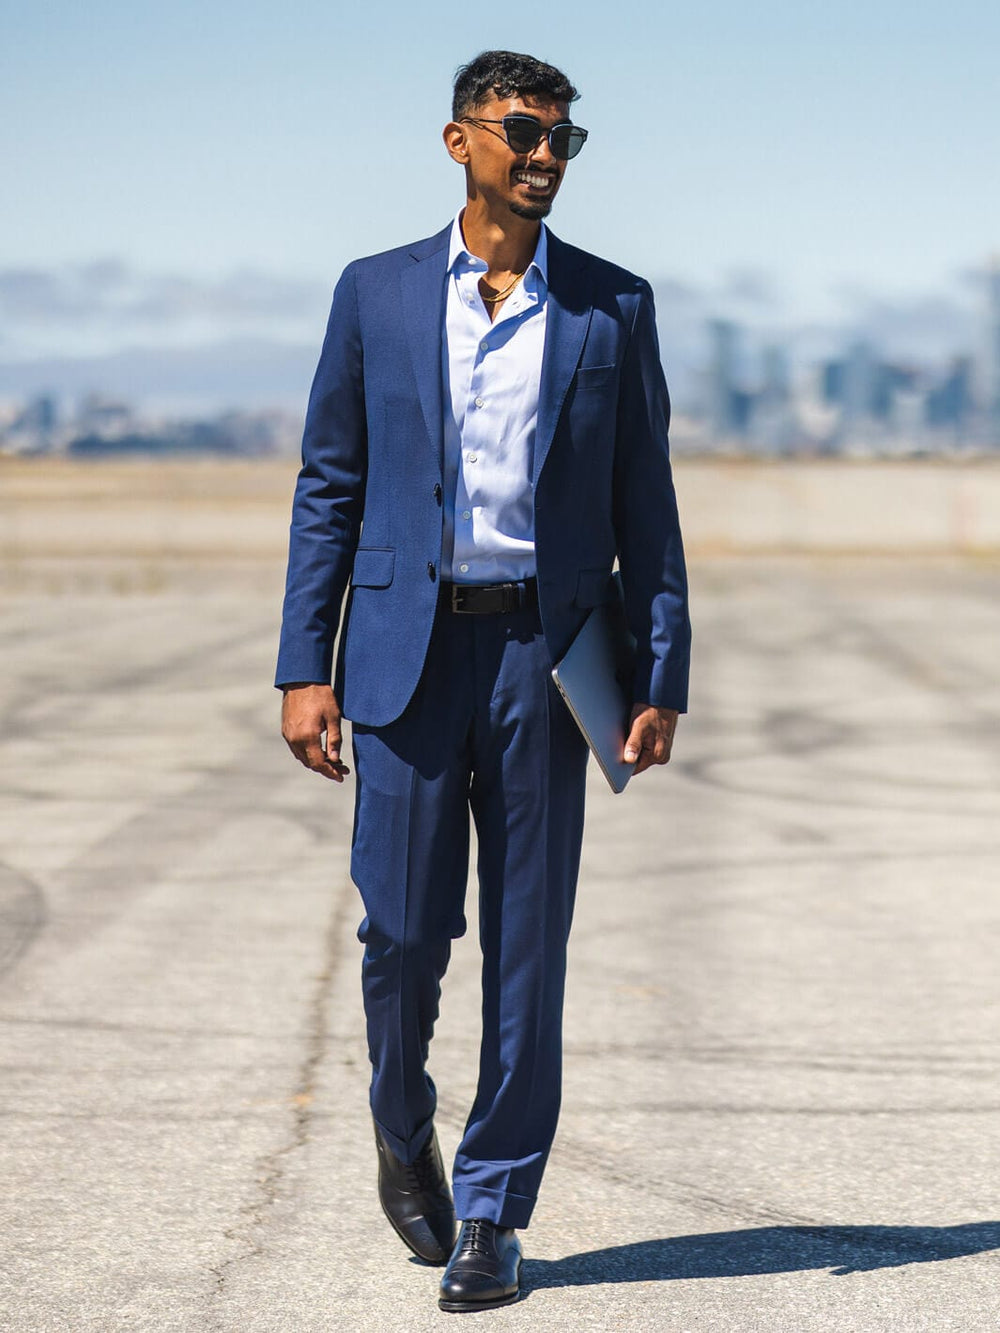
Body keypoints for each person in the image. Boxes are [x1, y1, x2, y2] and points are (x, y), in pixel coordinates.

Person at [275, 49, 690, 1314]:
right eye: (521, 132)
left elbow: (644, 500)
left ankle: (495, 1206)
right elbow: (330, 486)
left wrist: (659, 663)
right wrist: (306, 665)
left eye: (565, 138)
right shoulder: (378, 294)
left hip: (545, 657)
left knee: (527, 948)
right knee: (402, 934)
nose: (545, 155)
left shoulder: (613, 307)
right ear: (460, 141)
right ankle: (401, 1121)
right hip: (404, 655)